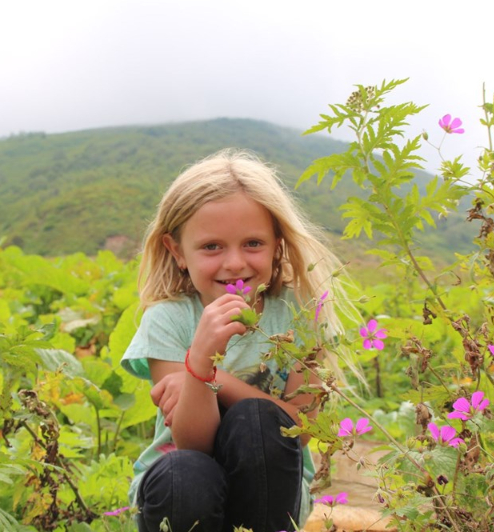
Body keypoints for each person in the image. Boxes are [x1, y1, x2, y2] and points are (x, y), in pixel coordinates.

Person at [120, 149, 353, 531]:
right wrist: (203, 353)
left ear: (277, 244)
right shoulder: (168, 319)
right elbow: (193, 443)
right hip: (182, 492)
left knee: (259, 423)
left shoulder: (298, 313)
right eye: (212, 247)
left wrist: (203, 370)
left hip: (272, 497)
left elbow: (302, 429)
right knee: (186, 474)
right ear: (177, 251)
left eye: (253, 244)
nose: (234, 264)